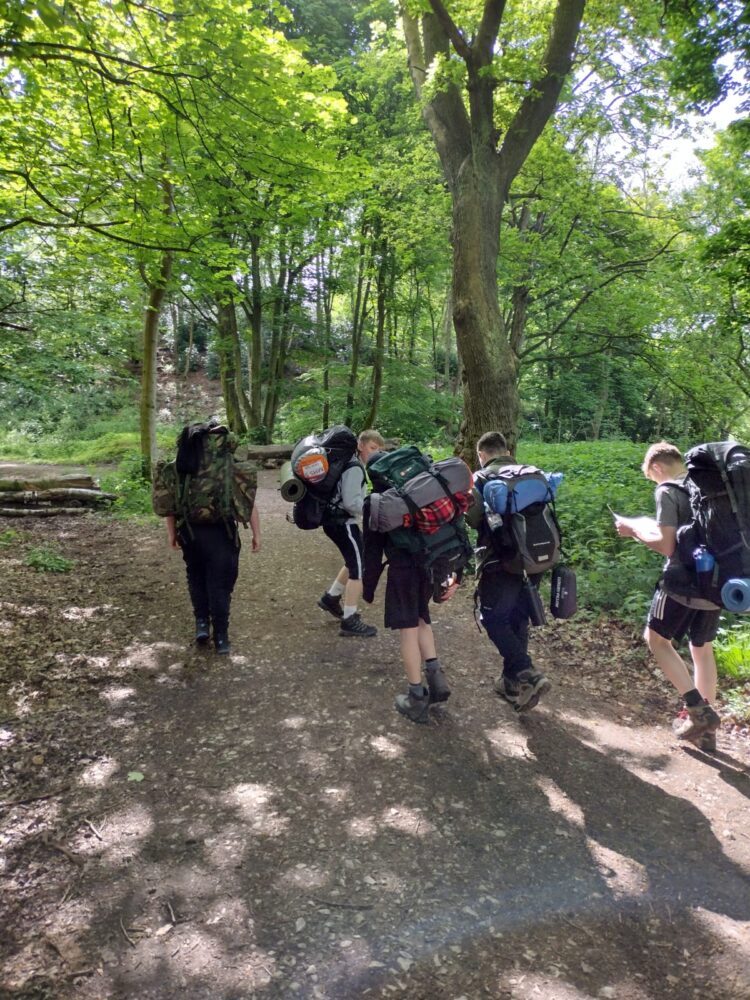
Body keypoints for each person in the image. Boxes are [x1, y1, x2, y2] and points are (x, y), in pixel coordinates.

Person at [615, 441, 721, 750]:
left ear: (658, 468)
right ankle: (707, 730)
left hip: (682, 582)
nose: (655, 482)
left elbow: (666, 546)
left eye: (652, 476)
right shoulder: (706, 486)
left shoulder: (667, 491)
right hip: (715, 583)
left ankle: (698, 712)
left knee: (656, 641)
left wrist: (632, 530)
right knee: (702, 649)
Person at [361, 452, 456, 724]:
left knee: (408, 630)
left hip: (403, 570)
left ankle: (416, 696)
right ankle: (436, 679)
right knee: (421, 618)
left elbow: (371, 550)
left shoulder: (377, 502)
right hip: (430, 564)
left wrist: (368, 589)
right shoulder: (422, 490)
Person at [155, 421, 260, 655]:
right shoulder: (230, 465)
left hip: (189, 533)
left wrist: (172, 535)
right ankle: (221, 636)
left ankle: (202, 624)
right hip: (222, 532)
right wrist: (256, 534)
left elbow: (170, 505)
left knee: (196, 576)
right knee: (220, 585)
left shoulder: (182, 463)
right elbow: (248, 502)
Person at [466, 431, 552, 713]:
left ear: (482, 454)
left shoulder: (482, 478)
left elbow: (474, 518)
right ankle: (511, 682)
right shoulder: (530, 475)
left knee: (492, 617)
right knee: (518, 615)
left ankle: (527, 672)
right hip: (535, 558)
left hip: (500, 559)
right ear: (507, 450)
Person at [317, 429, 384, 637]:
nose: (374, 454)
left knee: (354, 558)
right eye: (372, 448)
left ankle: (331, 597)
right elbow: (350, 502)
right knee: (359, 568)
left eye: (379, 450)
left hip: (335, 521)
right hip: (343, 522)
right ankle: (350, 619)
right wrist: (370, 507)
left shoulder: (348, 463)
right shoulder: (354, 467)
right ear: (361, 445)